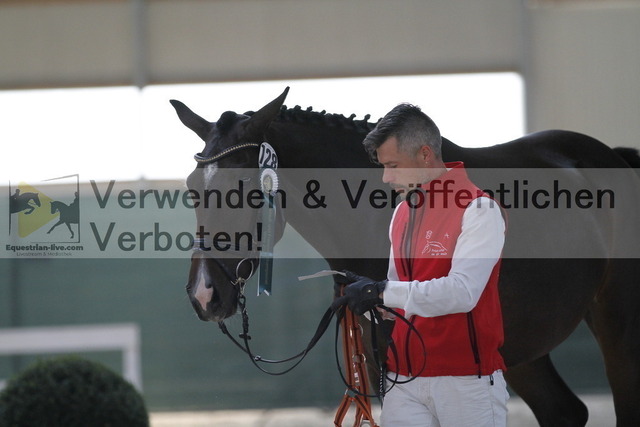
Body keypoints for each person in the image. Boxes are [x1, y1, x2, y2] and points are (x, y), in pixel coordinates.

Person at [341, 103, 508, 427]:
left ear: (425, 155)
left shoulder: (479, 208)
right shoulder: (401, 212)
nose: (386, 177)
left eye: (393, 165)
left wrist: (382, 291)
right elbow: (399, 298)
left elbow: (463, 293)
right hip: (403, 378)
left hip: (467, 382)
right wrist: (369, 301)